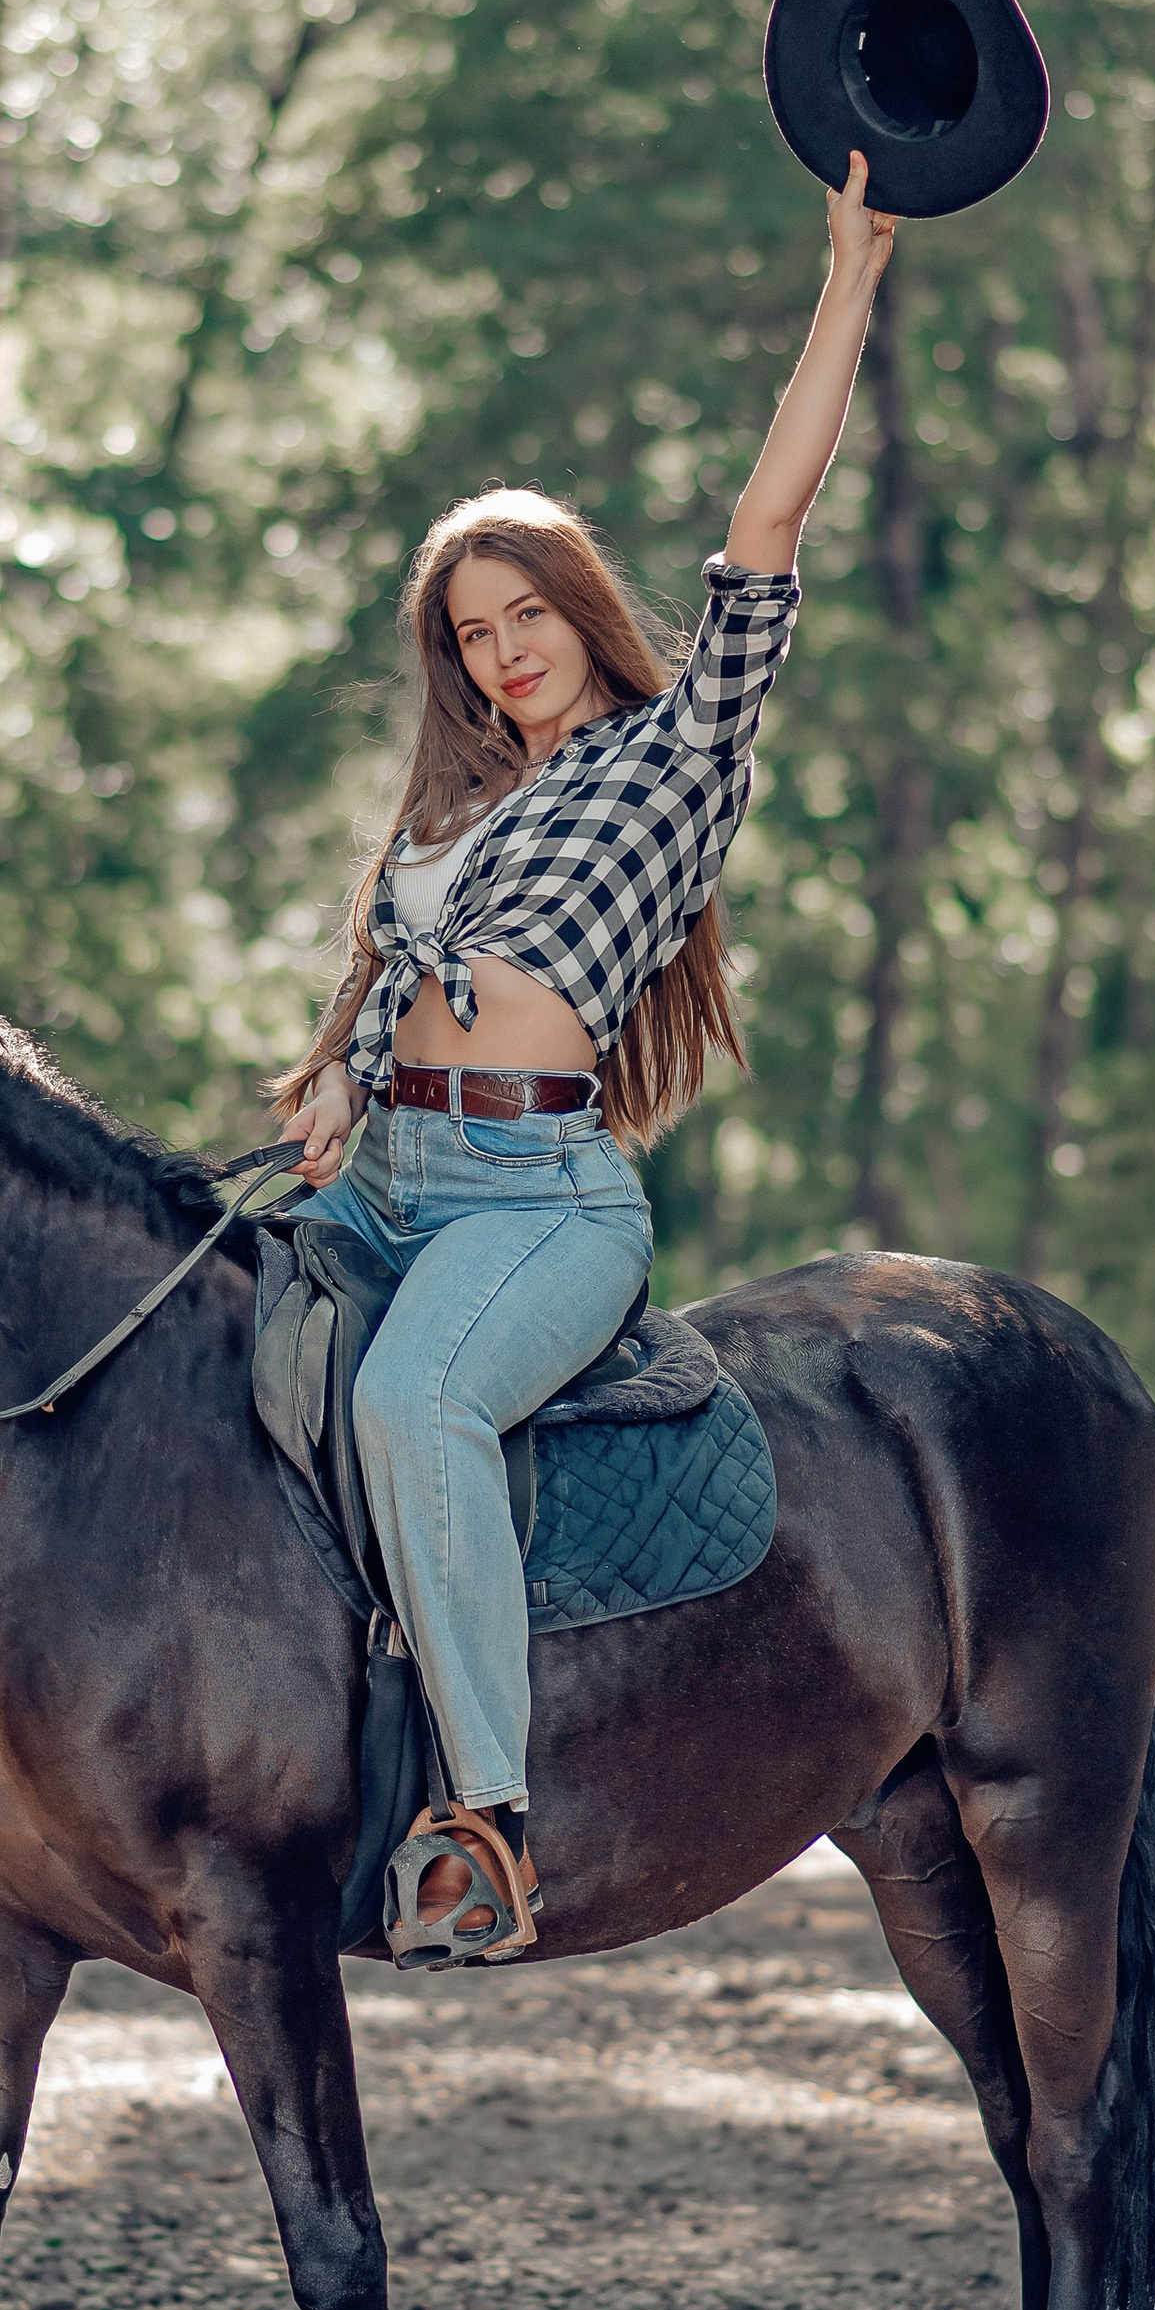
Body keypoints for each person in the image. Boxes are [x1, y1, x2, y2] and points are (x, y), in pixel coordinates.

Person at [273, 153, 898, 1966]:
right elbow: (381, 986)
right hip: (384, 1173)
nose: (503, 654)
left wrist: (849, 278)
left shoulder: (675, 753)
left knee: (414, 1406)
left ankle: (487, 1821)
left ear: (574, 600)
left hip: (533, 1199)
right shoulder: (455, 805)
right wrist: (337, 1077)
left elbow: (769, 519)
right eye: (474, 639)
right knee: (201, 1355)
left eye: (523, 615)